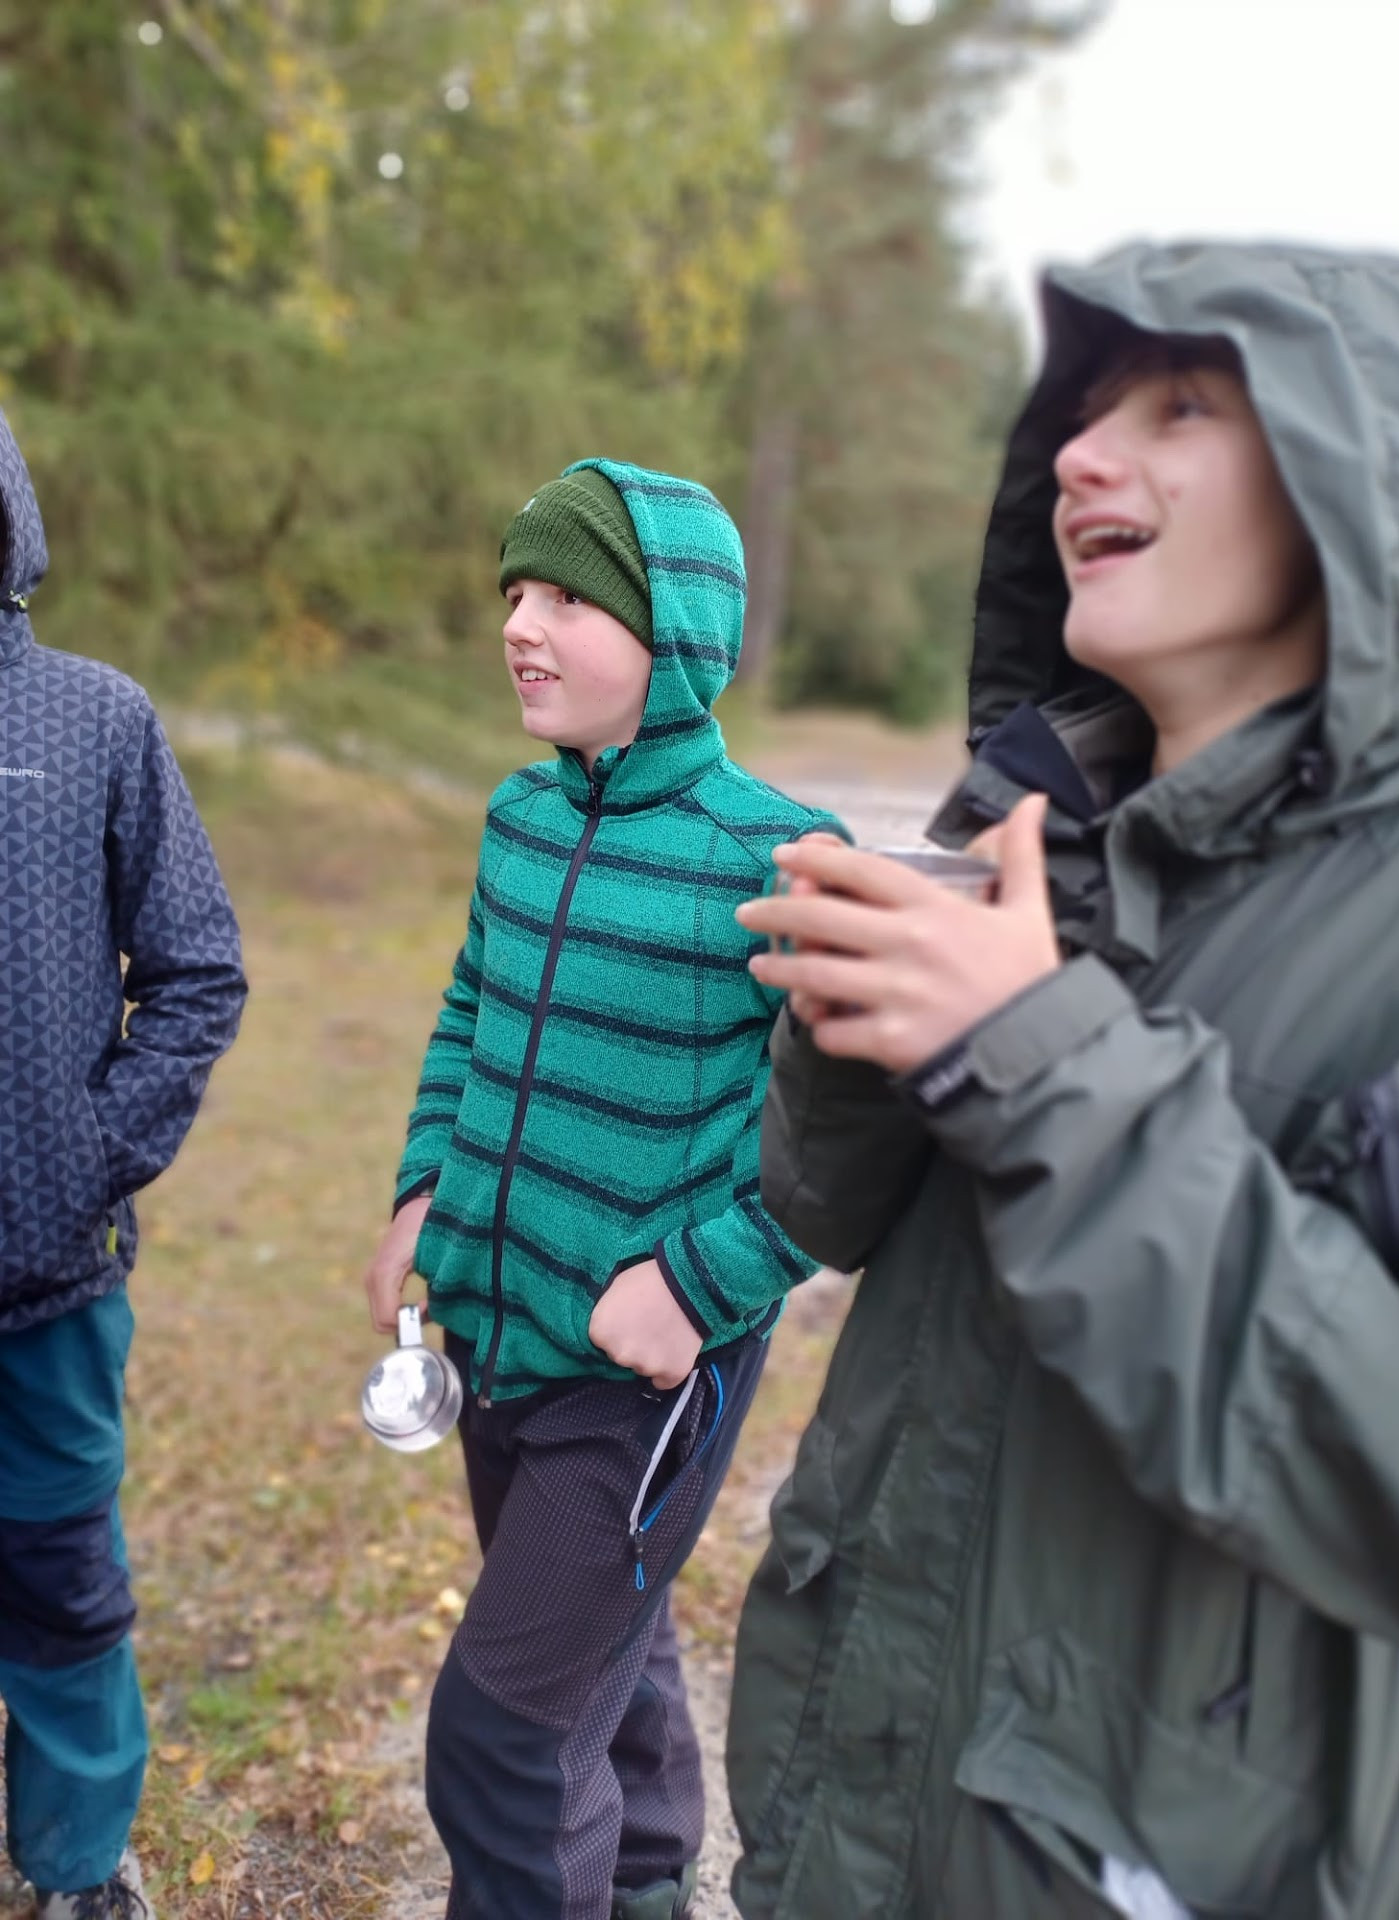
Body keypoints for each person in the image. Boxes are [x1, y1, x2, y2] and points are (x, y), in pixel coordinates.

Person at [727, 240, 1399, 1919]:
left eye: (1181, 406)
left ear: (1366, 484)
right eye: (1083, 417)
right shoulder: (1045, 832)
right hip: (860, 1823)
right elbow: (817, 1212)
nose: (1079, 459)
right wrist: (865, 1026)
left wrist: (1039, 1063)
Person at [362, 459, 843, 1920]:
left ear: (673, 633)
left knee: (502, 1740)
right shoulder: (519, 818)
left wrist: (697, 1284)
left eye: (568, 598)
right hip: (496, 1336)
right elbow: (471, 1007)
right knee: (596, 1650)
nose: (521, 624)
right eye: (515, 592)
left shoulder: (773, 857)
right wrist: (423, 1186)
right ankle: (641, 1882)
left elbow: (852, 1127)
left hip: (640, 1380)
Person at [0, 407, 247, 1917]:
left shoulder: (92, 719)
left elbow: (198, 967)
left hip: (50, 1278)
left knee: (60, 1582)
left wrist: (90, 1155)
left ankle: (78, 1867)